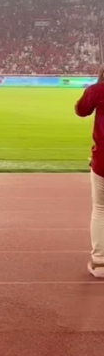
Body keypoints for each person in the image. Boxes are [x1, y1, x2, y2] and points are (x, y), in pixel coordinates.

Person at [76, 67, 104, 277]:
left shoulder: (97, 91)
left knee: (101, 209)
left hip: (103, 160)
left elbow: (81, 110)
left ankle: (100, 261)